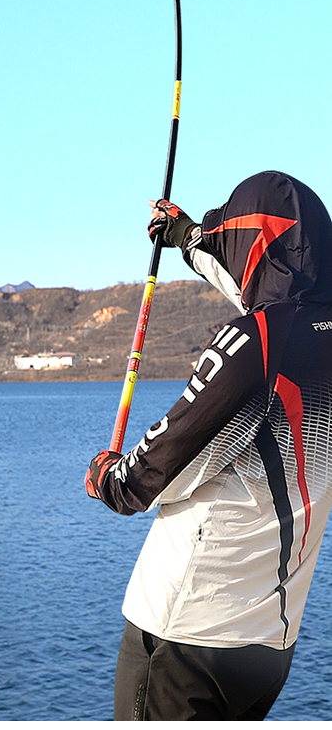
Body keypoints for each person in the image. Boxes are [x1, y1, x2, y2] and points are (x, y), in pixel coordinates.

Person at [84, 170, 332, 721]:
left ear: (256, 246)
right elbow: (270, 288)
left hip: (186, 638)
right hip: (269, 646)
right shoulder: (309, 333)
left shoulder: (256, 345)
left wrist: (108, 478)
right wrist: (188, 238)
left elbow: (156, 471)